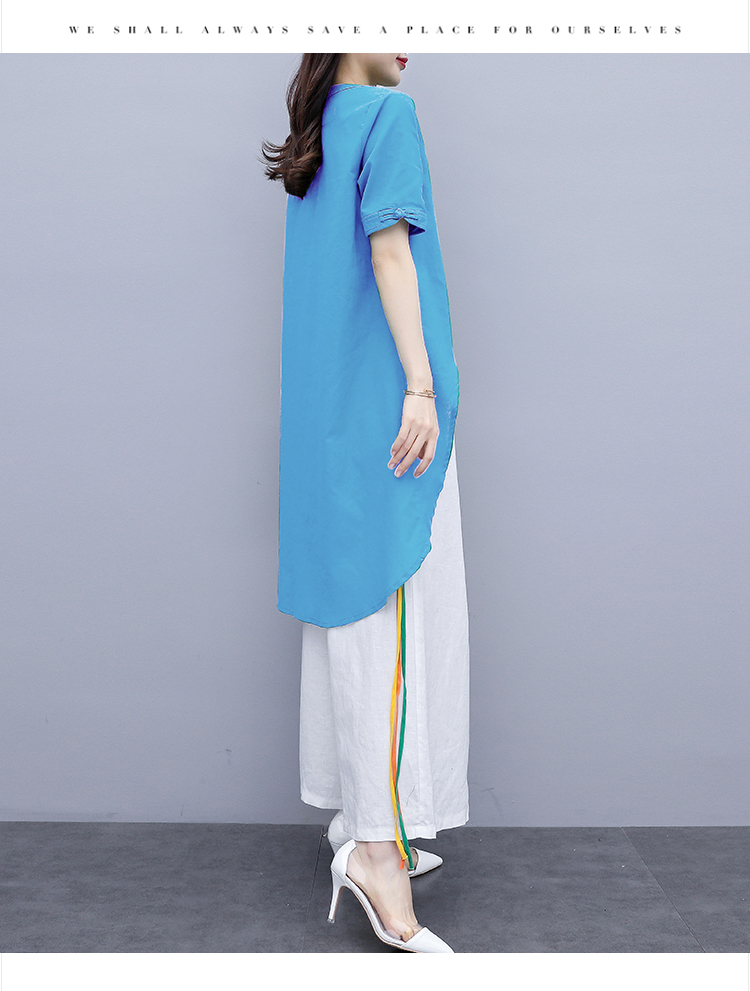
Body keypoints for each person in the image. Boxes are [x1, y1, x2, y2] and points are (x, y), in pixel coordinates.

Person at [261, 53, 470, 953]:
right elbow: (390, 251)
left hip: (324, 420)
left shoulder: (316, 134)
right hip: (386, 413)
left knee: (353, 620)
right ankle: (379, 852)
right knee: (396, 617)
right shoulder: (390, 115)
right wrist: (420, 387)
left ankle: (363, 820)